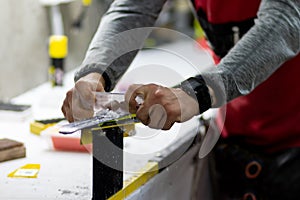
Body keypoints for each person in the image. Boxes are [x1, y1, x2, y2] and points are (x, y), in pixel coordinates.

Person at [61, 0, 300, 199]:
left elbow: (286, 18)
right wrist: (95, 73)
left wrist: (197, 92)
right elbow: (132, 9)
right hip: (236, 140)